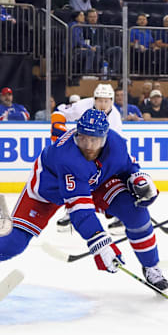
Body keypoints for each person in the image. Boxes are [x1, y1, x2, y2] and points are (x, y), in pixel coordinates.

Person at [0, 109, 168, 290]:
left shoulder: (116, 144)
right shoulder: (68, 156)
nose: (87, 145)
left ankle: (151, 267)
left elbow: (128, 168)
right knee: (11, 244)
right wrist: (101, 243)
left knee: (136, 213)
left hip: (94, 183)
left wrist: (139, 179)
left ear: (105, 138)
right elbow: (80, 212)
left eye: (94, 140)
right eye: (83, 137)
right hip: (47, 192)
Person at [50, 84, 125, 233]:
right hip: (81, 146)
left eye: (106, 101)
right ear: (94, 100)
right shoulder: (83, 105)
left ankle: (122, 216)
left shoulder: (115, 119)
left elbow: (117, 148)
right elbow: (59, 112)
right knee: (73, 177)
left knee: (115, 178)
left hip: (101, 151)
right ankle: (72, 212)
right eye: (100, 101)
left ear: (112, 101)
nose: (103, 105)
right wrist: (58, 131)